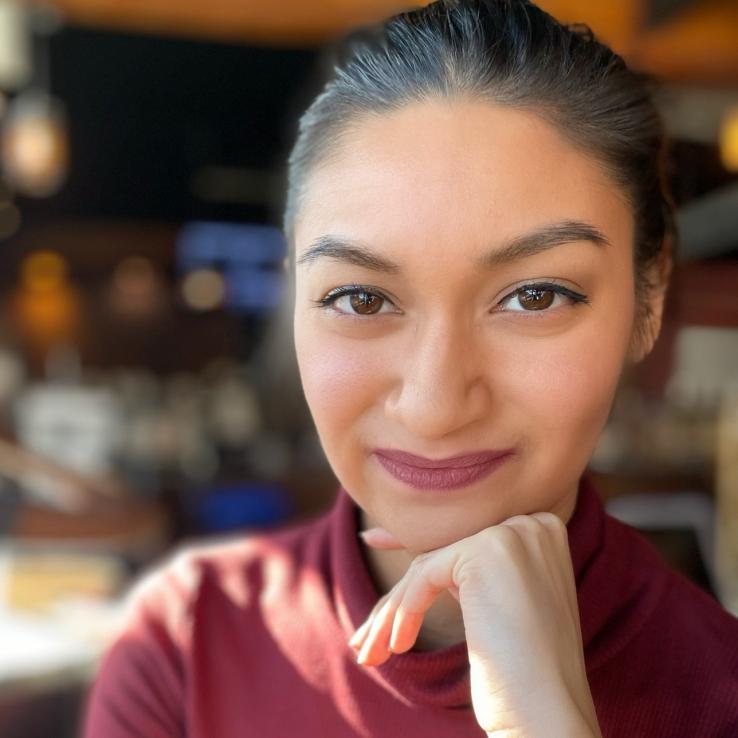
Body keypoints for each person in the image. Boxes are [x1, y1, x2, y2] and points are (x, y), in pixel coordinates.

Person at [82, 1, 738, 736]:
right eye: (360, 297)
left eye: (535, 295)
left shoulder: (719, 695)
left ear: (648, 298)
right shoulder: (181, 648)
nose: (434, 405)